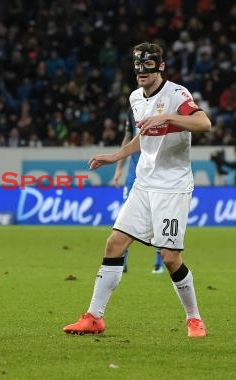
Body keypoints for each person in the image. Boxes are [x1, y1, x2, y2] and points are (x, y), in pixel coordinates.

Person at [63, 42, 210, 338]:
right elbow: (143, 139)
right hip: (144, 183)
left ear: (161, 66)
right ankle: (94, 317)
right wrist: (116, 156)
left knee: (169, 257)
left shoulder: (177, 94)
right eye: (137, 66)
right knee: (114, 243)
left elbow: (203, 123)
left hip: (172, 187)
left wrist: (167, 116)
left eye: (148, 65)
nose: (142, 71)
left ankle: (194, 318)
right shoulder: (135, 98)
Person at [113, 109, 164, 274]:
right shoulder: (132, 110)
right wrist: (119, 168)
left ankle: (158, 263)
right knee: (127, 216)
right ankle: (122, 262)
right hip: (134, 175)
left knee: (158, 216)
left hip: (157, 175)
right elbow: (127, 139)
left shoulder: (163, 108)